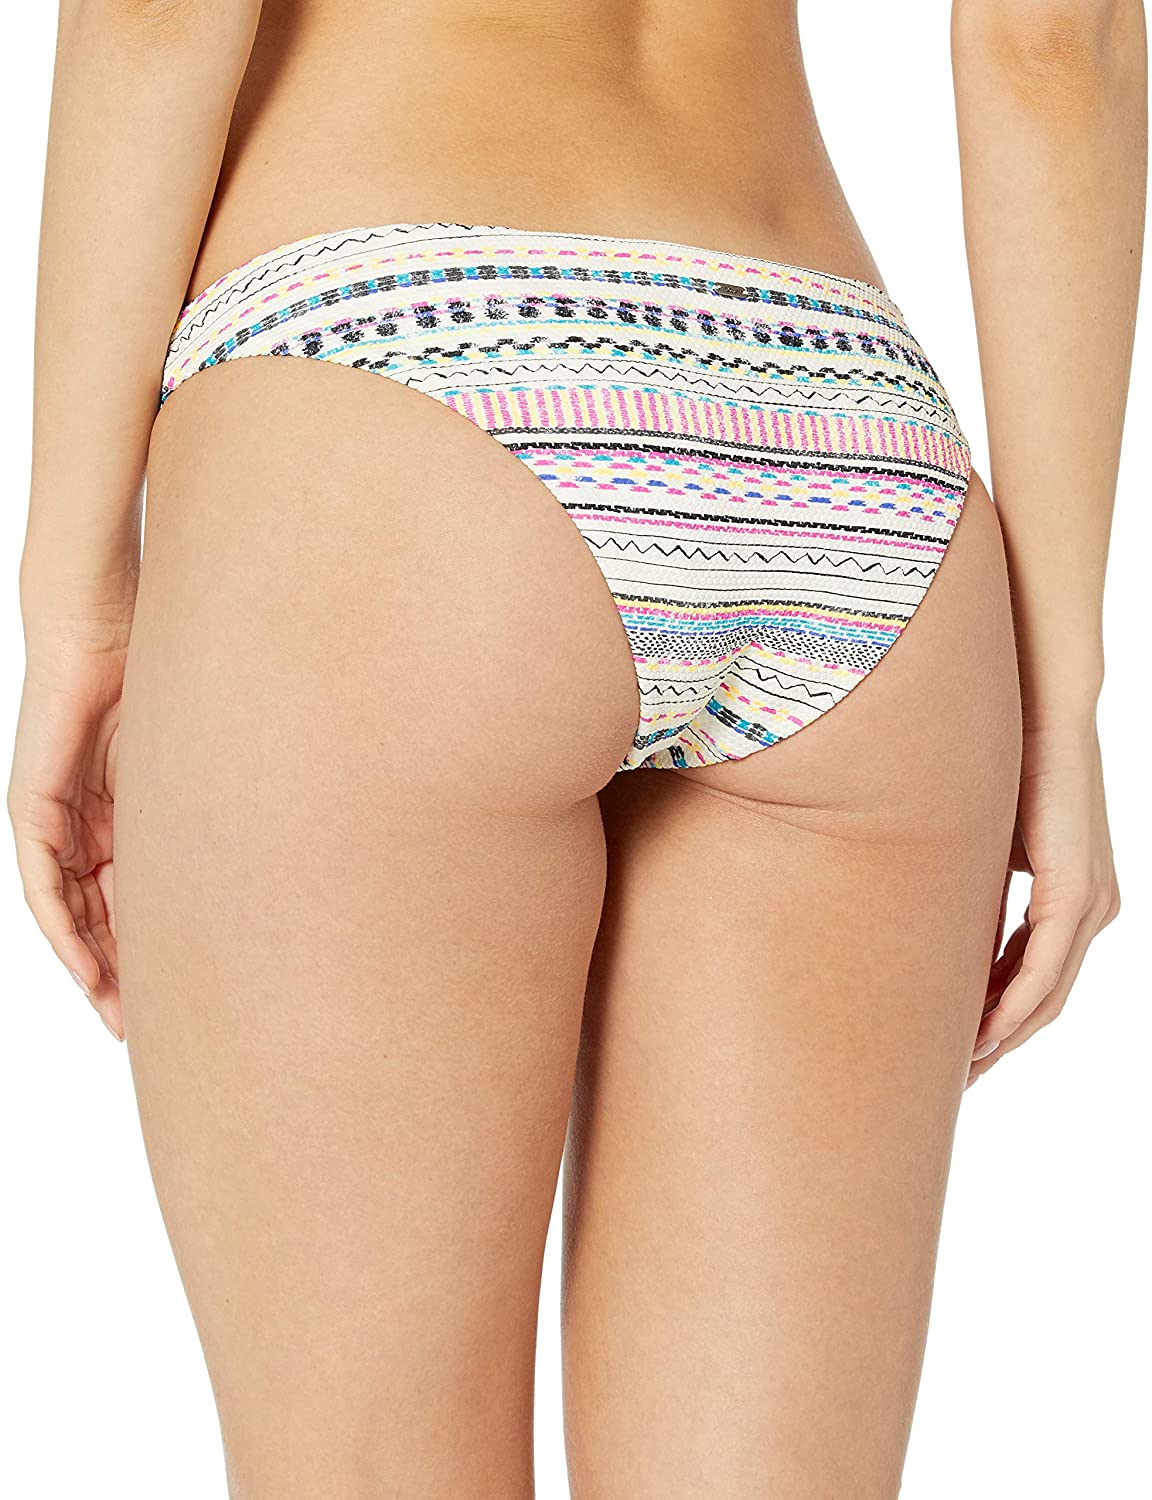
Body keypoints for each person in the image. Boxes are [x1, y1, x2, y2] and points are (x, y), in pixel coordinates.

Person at [8, 1, 1143, 1494]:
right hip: (842, 435)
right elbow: (1056, 43)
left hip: (401, 369)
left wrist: (74, 602)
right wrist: (1062, 700)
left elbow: (159, 15)